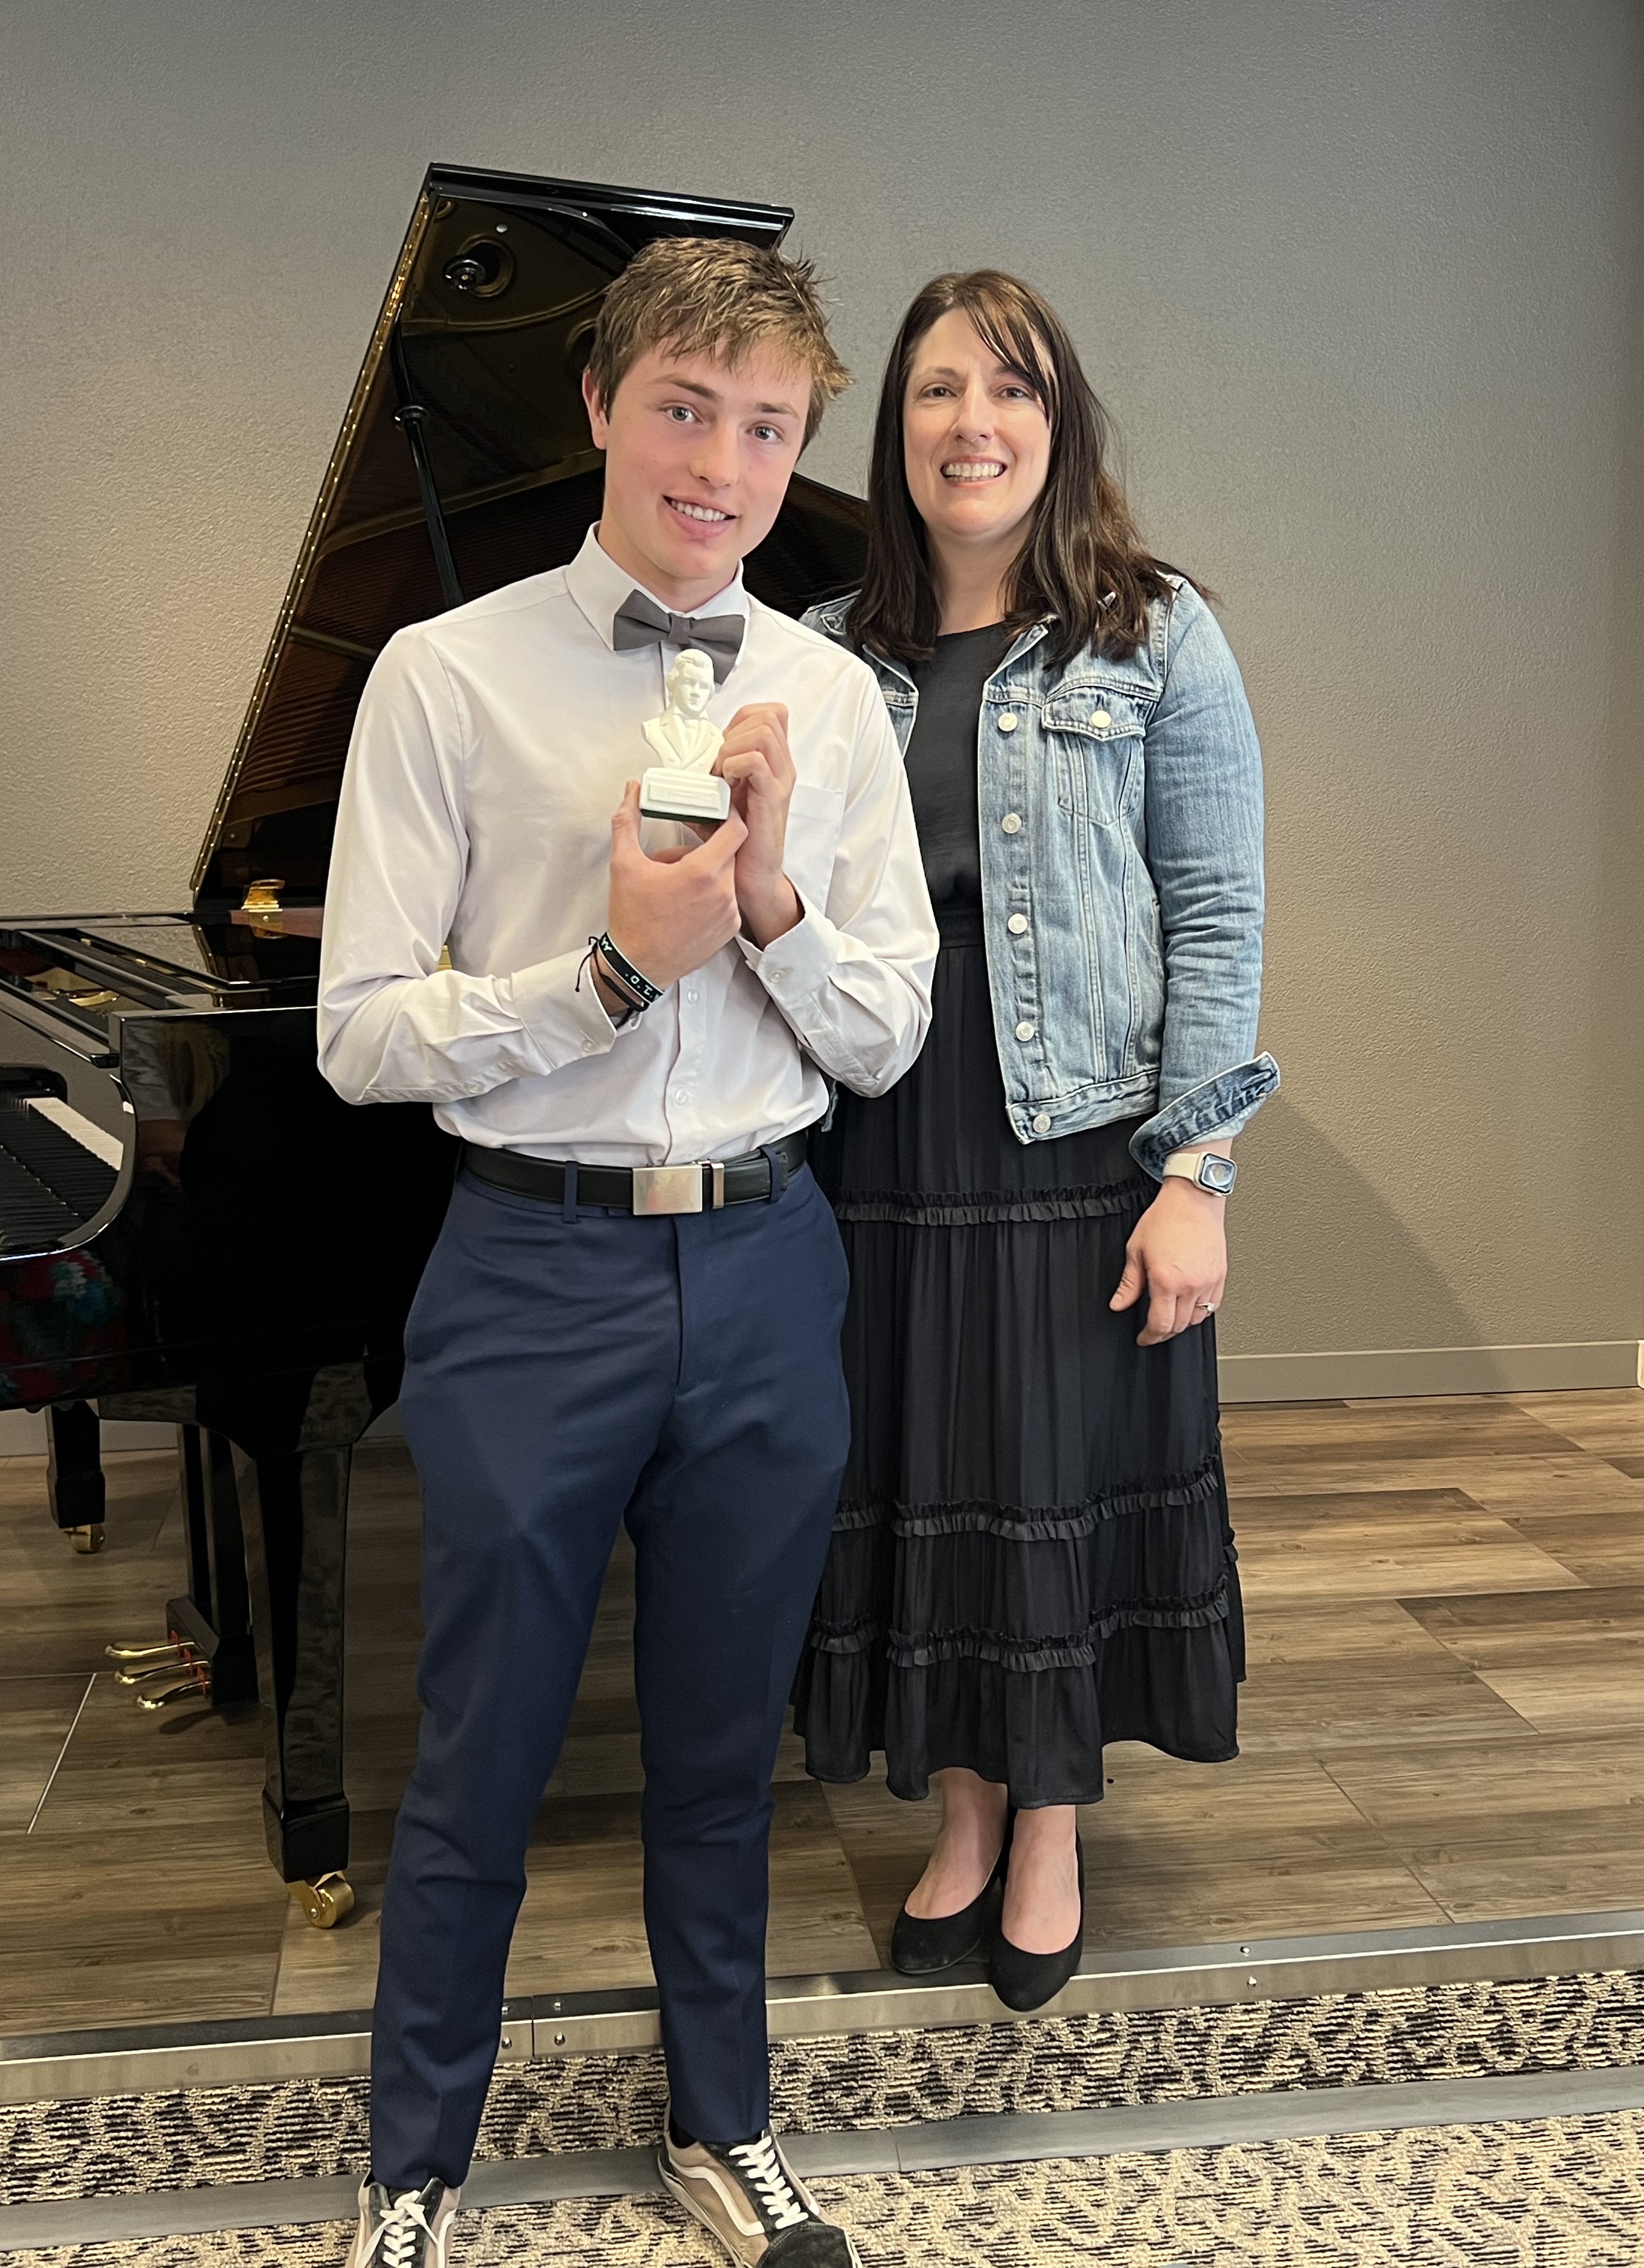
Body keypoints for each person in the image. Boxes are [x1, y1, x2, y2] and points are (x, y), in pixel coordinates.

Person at [318, 235, 937, 2268]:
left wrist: (768, 910)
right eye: (685, 409)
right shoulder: (446, 676)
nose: (724, 467)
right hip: (532, 1272)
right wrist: (605, 974)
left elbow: (887, 1033)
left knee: (723, 1748)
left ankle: (722, 2122)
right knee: (479, 1755)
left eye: (767, 428)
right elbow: (357, 1035)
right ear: (599, 405)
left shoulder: (831, 699)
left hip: (766, 1265)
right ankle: (416, 2165)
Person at [794, 270, 1279, 2014]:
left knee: (1052, 1498)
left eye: (1010, 388)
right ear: (898, 429)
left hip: (1078, 1147)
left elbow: (1216, 913)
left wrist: (1196, 1176)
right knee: (929, 1487)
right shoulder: (829, 652)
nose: (973, 422)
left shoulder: (1155, 633)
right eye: (938, 389)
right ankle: (967, 1815)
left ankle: (1052, 1830)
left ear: (1057, 422)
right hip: (882, 1148)